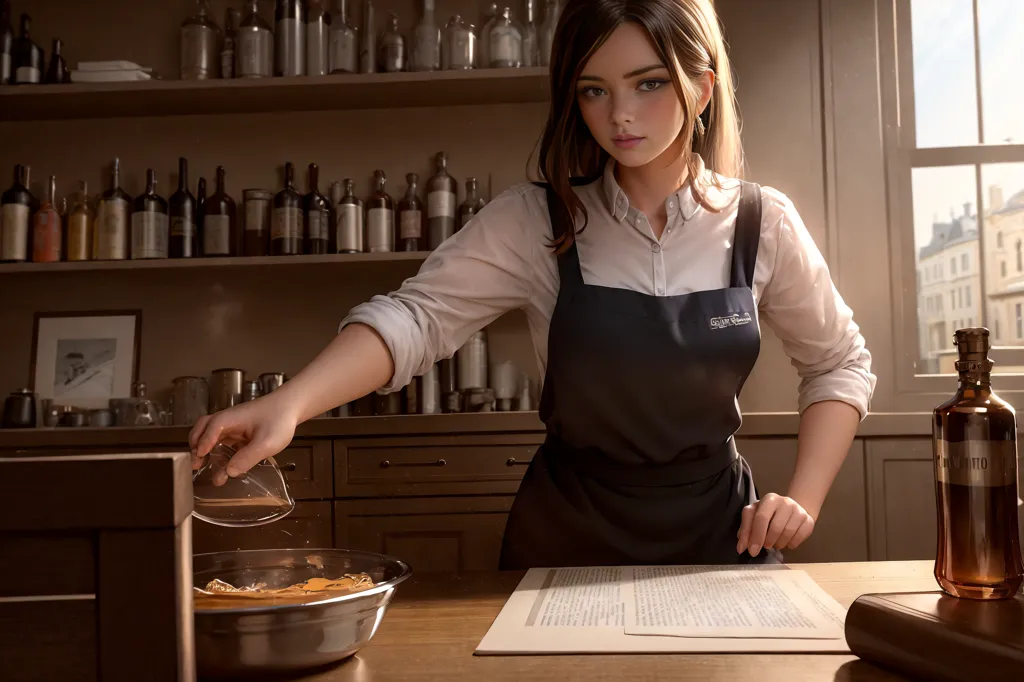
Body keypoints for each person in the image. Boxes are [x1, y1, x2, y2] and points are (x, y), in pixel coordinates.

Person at [190, 0, 876, 570]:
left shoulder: (763, 221)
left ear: (700, 87)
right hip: (567, 536)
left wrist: (805, 500)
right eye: (594, 91)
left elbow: (840, 362)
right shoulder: (535, 220)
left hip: (720, 538)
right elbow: (417, 319)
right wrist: (292, 403)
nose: (620, 117)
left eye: (648, 83)